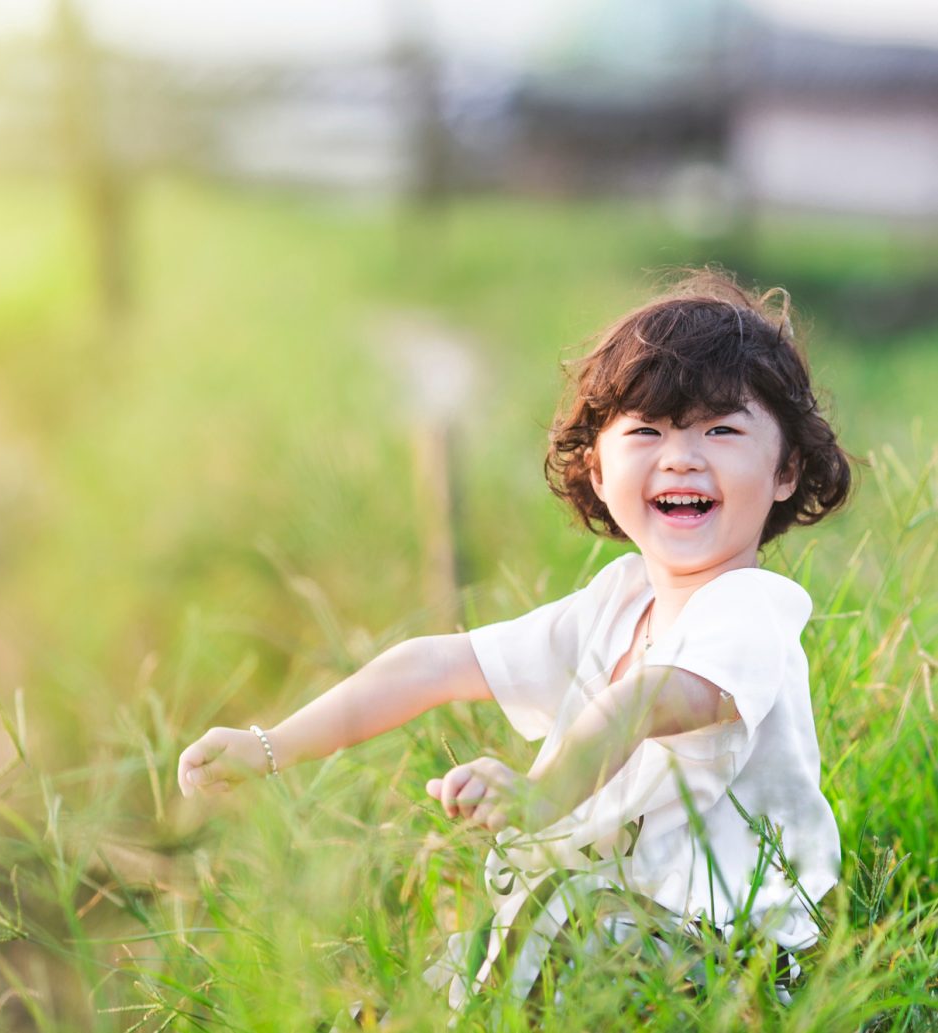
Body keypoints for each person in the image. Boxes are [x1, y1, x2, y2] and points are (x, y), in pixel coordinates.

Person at [176, 269, 852, 1014]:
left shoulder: (749, 606)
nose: (681, 457)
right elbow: (434, 662)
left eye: (720, 430)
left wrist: (541, 794)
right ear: (596, 468)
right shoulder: (616, 602)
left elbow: (649, 698)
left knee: (555, 903)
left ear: (786, 469)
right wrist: (270, 744)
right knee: (485, 930)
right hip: (615, 929)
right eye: (646, 431)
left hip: (737, 956)